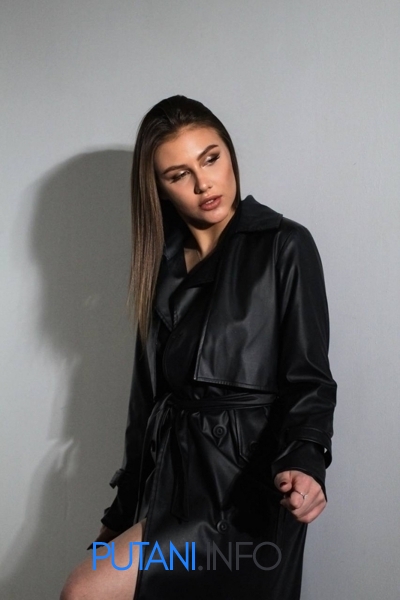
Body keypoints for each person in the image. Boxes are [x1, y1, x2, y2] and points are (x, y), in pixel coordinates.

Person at [60, 95, 337, 600]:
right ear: (159, 189)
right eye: (178, 174)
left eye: (210, 158)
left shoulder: (285, 245)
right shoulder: (158, 267)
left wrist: (307, 459)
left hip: (245, 491)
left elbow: (310, 380)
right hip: (171, 486)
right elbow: (145, 405)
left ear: (229, 153)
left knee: (85, 591)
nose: (203, 183)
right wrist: (121, 515)